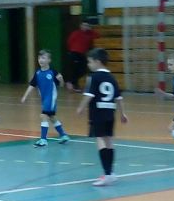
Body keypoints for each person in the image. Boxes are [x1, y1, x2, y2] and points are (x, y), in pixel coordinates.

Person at [77, 48, 128, 186]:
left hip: (98, 113)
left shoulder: (94, 77)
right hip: (110, 114)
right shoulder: (112, 78)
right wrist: (123, 114)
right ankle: (111, 172)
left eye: (90, 62)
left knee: (100, 140)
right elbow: (119, 98)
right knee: (109, 140)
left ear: (97, 62)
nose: (89, 65)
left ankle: (106, 174)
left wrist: (80, 108)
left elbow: (89, 95)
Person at [20, 49, 70, 147]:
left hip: (51, 98)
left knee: (44, 116)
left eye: (43, 58)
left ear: (49, 60)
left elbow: (61, 85)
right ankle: (64, 135)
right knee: (52, 117)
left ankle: (43, 139)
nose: (41, 60)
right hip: (44, 99)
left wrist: (62, 80)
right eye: (39, 58)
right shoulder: (37, 73)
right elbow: (31, 85)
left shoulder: (53, 72)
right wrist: (25, 96)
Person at [66, 21, 99, 91]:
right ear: (80, 26)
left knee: (83, 69)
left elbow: (97, 36)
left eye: (87, 25)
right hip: (74, 53)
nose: (85, 27)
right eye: (84, 25)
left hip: (83, 54)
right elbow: (69, 42)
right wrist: (72, 50)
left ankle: (72, 82)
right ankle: (73, 84)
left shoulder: (90, 34)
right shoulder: (75, 33)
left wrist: (91, 30)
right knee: (74, 69)